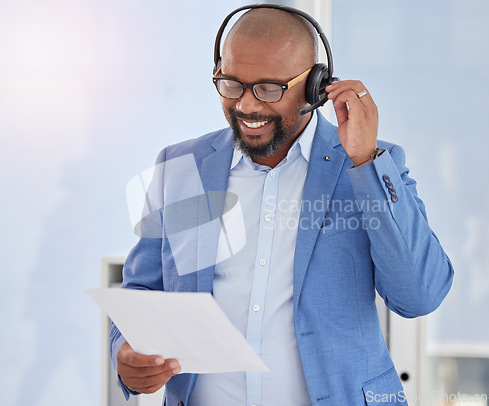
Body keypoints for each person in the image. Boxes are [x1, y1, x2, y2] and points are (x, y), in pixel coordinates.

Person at [110, 5, 454, 406]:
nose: (248, 106)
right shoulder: (183, 170)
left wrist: (365, 162)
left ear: (316, 87)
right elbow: (144, 290)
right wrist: (126, 353)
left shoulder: (366, 167)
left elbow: (419, 296)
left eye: (270, 88)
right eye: (232, 83)